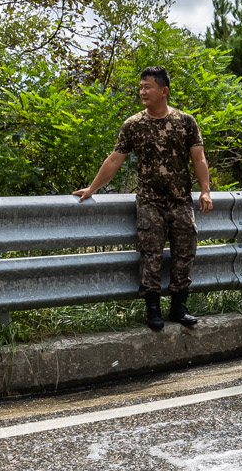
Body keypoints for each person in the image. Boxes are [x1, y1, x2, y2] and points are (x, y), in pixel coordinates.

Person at [73, 66, 214, 330]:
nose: (142, 92)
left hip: (181, 200)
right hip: (149, 202)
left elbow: (199, 158)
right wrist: (91, 189)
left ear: (164, 91)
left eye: (147, 87)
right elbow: (115, 160)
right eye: (140, 87)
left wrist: (205, 190)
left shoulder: (186, 122)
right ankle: (152, 310)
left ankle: (179, 308)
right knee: (151, 256)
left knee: (185, 254)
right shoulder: (133, 125)